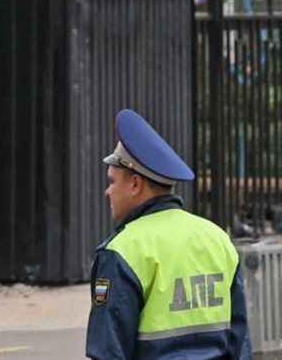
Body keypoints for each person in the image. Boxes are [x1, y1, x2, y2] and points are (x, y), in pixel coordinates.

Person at [86, 109, 250, 359]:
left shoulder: (122, 251)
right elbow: (240, 345)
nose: (108, 192)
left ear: (135, 185)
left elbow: (109, 351)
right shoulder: (218, 239)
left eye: (112, 181)